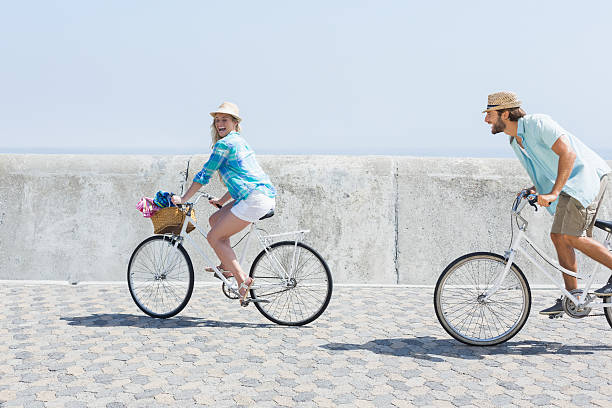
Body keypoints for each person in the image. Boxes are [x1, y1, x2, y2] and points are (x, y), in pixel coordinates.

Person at [483, 91, 612, 315]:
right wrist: (536, 189)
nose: (486, 120)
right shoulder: (515, 140)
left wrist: (553, 193)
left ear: (505, 113)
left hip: (584, 178)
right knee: (557, 236)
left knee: (573, 236)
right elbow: (544, 169)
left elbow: (568, 155)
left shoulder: (538, 124)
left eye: (490, 114)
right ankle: (573, 298)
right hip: (567, 185)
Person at [172, 102, 276, 305]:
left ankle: (242, 280)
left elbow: (204, 175)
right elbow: (242, 179)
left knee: (214, 238)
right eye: (217, 120)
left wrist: (183, 199)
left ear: (235, 123)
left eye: (225, 119)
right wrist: (221, 201)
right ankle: (227, 266)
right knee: (215, 219)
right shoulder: (239, 142)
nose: (220, 123)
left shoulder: (224, 144)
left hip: (254, 198)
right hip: (259, 194)